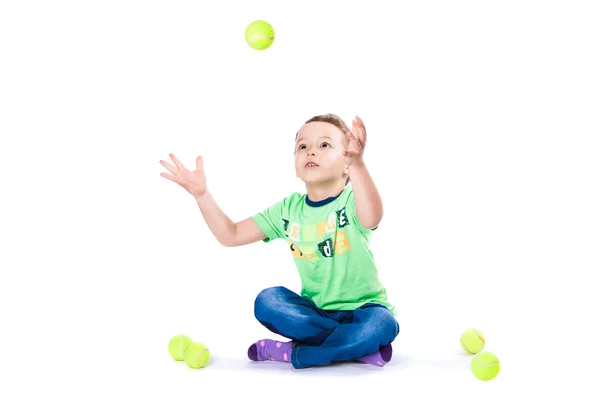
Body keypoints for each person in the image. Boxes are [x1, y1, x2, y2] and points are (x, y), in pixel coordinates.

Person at [159, 113, 399, 369]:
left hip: (365, 310)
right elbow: (230, 235)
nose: (311, 152)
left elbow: (373, 214)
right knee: (267, 301)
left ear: (346, 163)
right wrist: (202, 194)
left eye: (324, 145)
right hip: (314, 314)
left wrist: (359, 165)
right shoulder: (288, 210)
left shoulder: (352, 201)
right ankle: (354, 347)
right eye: (303, 147)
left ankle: (296, 353)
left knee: (381, 324)